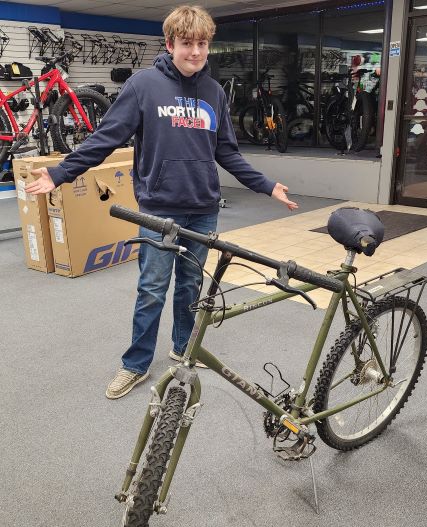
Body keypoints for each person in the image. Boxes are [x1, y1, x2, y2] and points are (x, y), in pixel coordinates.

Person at [26, 5, 298, 399]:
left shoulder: (214, 92)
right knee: (152, 289)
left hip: (203, 209)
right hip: (159, 210)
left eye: (202, 44)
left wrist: (266, 185)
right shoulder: (143, 86)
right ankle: (135, 364)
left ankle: (183, 346)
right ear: (170, 44)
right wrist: (60, 172)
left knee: (190, 285)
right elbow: (106, 138)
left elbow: (227, 152)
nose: (196, 52)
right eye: (187, 43)